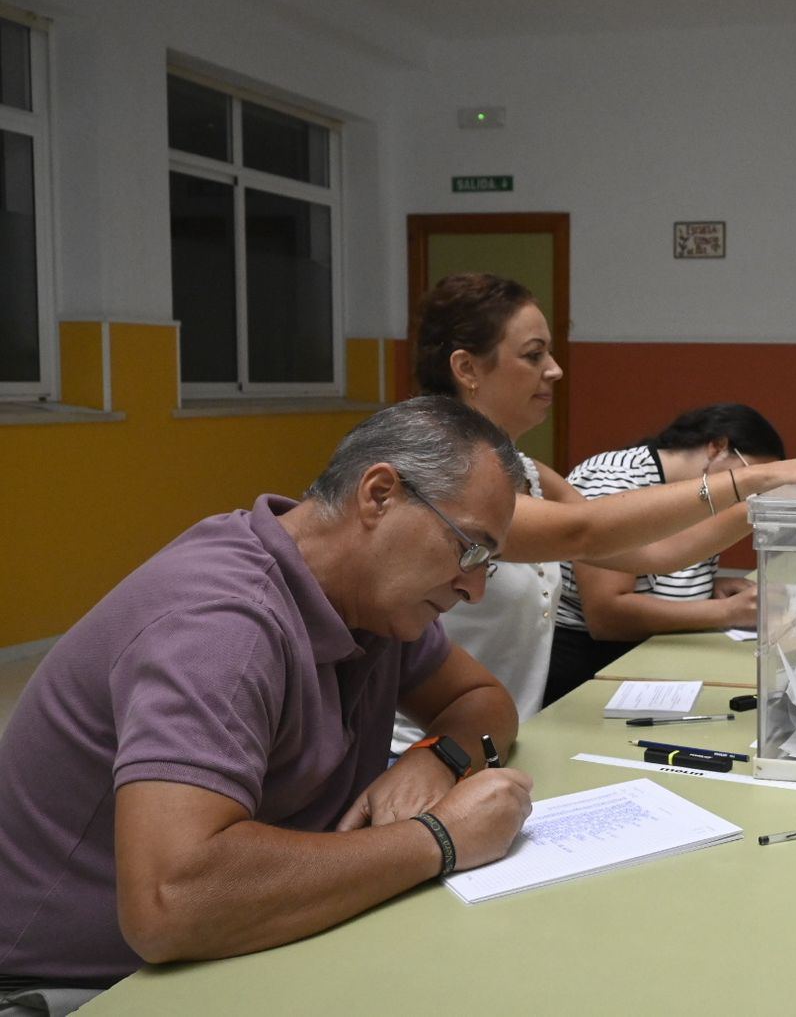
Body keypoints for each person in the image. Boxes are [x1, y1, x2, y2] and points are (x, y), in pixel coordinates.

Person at [0, 397, 537, 1012]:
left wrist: (433, 756)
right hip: (85, 985)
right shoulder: (222, 627)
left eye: (488, 565)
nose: (473, 588)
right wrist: (440, 838)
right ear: (380, 495)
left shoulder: (369, 599)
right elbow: (169, 903)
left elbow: (480, 699)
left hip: (250, 934)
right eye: (469, 549)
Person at [396, 272, 796, 750]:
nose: (556, 370)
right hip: (420, 752)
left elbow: (648, 550)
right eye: (533, 354)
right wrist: (756, 479)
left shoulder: (526, 470)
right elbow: (585, 531)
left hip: (500, 739)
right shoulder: (441, 470)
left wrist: (762, 501)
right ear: (467, 369)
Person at [546, 403, 785, 707]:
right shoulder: (616, 480)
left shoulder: (700, 490)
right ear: (718, 447)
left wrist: (705, 587)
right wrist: (730, 612)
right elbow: (608, 616)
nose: (750, 495)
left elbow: (656, 563)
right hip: (592, 663)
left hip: (661, 648)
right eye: (752, 479)